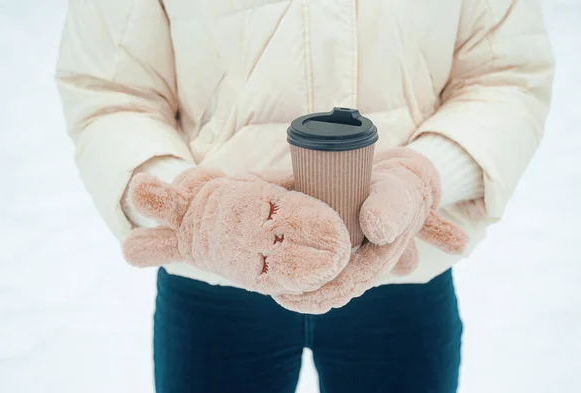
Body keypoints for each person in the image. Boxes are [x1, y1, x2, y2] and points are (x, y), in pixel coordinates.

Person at [55, 0, 554, 392]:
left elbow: (504, 74)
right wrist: (199, 211)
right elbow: (111, 91)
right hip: (215, 286)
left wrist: (427, 175)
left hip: (402, 270)